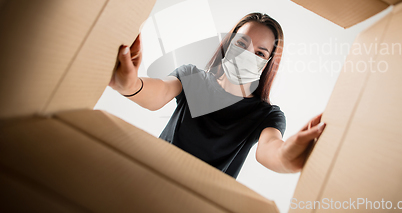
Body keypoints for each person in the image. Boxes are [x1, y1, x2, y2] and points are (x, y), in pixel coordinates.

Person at [109, 12, 325, 178]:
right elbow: (159, 92)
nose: (247, 55)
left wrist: (287, 155)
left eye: (260, 53)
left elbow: (269, 150)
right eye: (241, 43)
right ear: (228, 44)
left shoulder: (267, 115)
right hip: (148, 180)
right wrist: (130, 85)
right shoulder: (192, 77)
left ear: (267, 64)